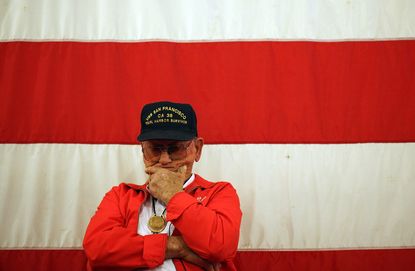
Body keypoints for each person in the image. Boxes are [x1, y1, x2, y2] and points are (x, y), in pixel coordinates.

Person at [83, 101, 242, 271]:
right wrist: (176, 246)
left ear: (197, 149)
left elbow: (221, 246)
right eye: (155, 149)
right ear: (143, 151)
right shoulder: (121, 195)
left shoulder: (219, 192)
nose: (164, 160)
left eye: (175, 149)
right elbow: (97, 249)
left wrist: (173, 195)